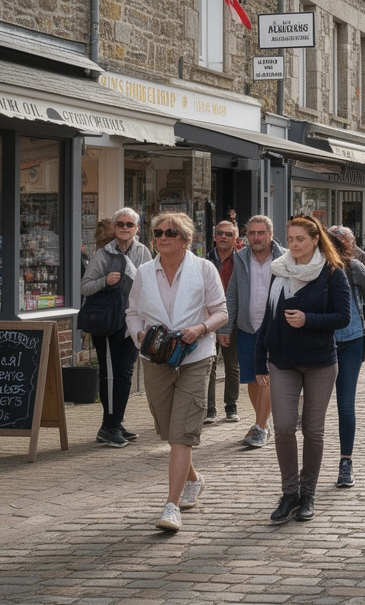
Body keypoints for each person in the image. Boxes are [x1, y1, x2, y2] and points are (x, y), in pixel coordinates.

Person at [126, 212, 228, 532]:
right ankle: (193, 479)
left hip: (196, 356)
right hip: (156, 358)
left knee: (182, 432)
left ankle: (171, 506)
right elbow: (132, 313)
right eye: (158, 233)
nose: (162, 237)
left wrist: (200, 328)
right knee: (171, 431)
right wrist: (140, 335)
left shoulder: (204, 269)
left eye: (170, 232)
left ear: (186, 239)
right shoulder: (144, 272)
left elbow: (221, 312)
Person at [255, 216, 351, 524]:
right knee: (283, 426)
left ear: (315, 240)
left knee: (313, 429)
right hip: (282, 360)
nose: (294, 245)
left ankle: (307, 494)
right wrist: (258, 360)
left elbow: (343, 317)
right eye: (291, 239)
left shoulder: (332, 273)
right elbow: (268, 319)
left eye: (300, 239)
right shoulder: (279, 270)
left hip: (320, 362)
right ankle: (289, 493)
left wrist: (308, 320)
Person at [80, 207, 153, 448]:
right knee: (110, 374)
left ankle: (114, 422)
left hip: (132, 323)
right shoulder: (104, 254)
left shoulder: (143, 252)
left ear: (137, 228)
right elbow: (85, 286)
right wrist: (105, 280)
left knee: (125, 374)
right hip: (108, 323)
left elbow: (150, 284)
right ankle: (109, 426)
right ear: (114, 227)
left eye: (129, 224)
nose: (124, 228)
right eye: (120, 224)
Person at [217, 215, 285, 449]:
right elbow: (232, 293)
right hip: (248, 327)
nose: (256, 237)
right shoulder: (240, 258)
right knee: (253, 379)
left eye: (261, 233)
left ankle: (260, 427)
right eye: (252, 233)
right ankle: (264, 423)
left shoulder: (285, 257)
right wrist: (225, 327)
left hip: (275, 328)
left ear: (271, 234)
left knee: (267, 377)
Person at [328, 226, 365, 490]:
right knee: (313, 409)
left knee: (345, 404)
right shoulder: (313, 266)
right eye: (334, 241)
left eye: (344, 242)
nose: (339, 245)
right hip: (320, 343)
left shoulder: (355, 267)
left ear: (351, 245)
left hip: (350, 341)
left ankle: (346, 461)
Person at [204, 220, 241, 424]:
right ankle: (209, 409)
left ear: (235, 238)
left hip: (233, 318)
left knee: (232, 365)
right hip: (209, 318)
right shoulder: (205, 260)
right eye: (220, 233)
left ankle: (231, 406)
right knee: (209, 364)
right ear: (214, 236)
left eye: (228, 234)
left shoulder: (241, 261)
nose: (223, 237)